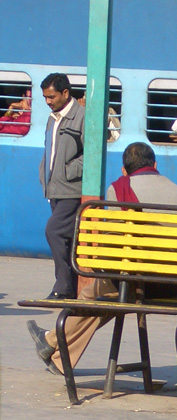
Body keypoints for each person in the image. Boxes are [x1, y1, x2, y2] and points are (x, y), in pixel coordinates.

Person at [27, 142, 177, 374]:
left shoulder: (120, 188)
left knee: (95, 294)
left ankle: (52, 340)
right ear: (155, 165)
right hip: (173, 285)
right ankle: (57, 355)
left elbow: (111, 246)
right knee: (105, 298)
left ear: (124, 170)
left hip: (140, 282)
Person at [40, 73, 85, 300]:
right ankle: (72, 288)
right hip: (54, 189)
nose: (48, 101)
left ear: (65, 93)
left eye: (51, 96)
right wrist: (44, 175)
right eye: (45, 97)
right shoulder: (52, 118)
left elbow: (92, 155)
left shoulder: (82, 117)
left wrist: (69, 171)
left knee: (54, 231)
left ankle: (62, 286)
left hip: (71, 190)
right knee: (67, 241)